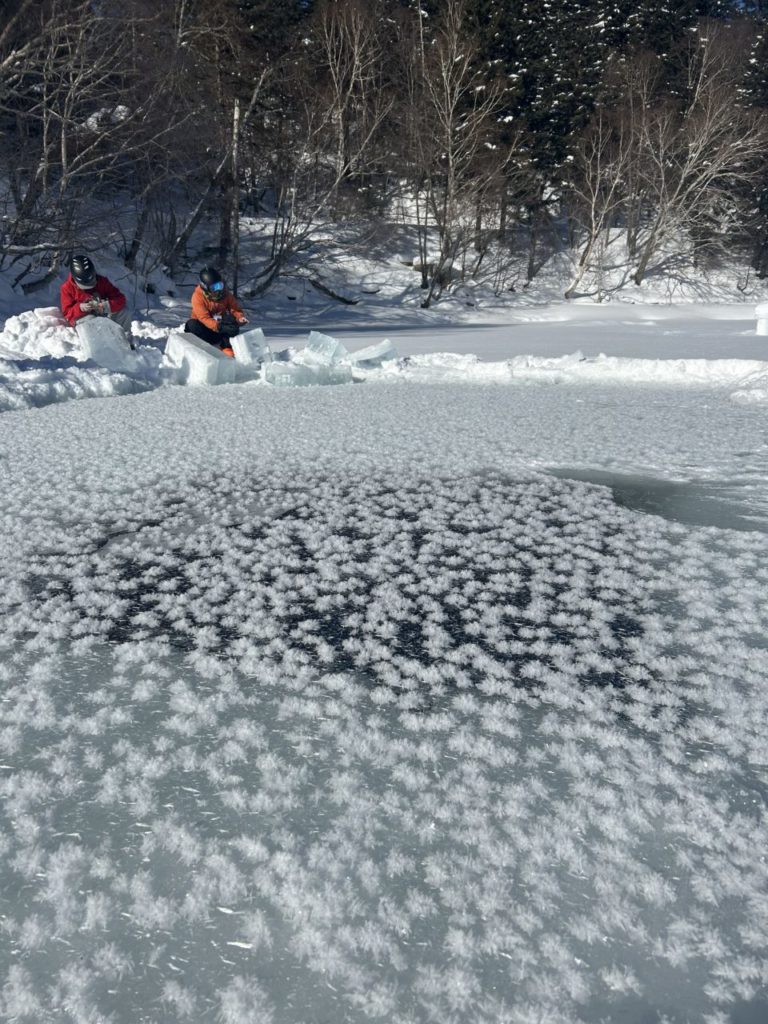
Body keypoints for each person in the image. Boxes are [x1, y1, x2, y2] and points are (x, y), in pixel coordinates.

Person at [61, 254, 133, 342]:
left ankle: (125, 340)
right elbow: (67, 313)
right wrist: (80, 308)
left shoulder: (102, 282)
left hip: (103, 316)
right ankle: (99, 346)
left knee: (124, 311)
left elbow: (120, 299)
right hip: (83, 320)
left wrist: (106, 306)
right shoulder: (67, 288)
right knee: (91, 320)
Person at [185, 266, 247, 355]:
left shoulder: (225, 294)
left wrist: (240, 318)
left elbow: (235, 309)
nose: (218, 290)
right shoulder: (197, 297)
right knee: (192, 324)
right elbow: (203, 318)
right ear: (205, 287)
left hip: (219, 330)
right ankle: (198, 349)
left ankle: (227, 348)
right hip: (205, 330)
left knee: (231, 321)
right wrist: (219, 326)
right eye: (214, 288)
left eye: (220, 285)